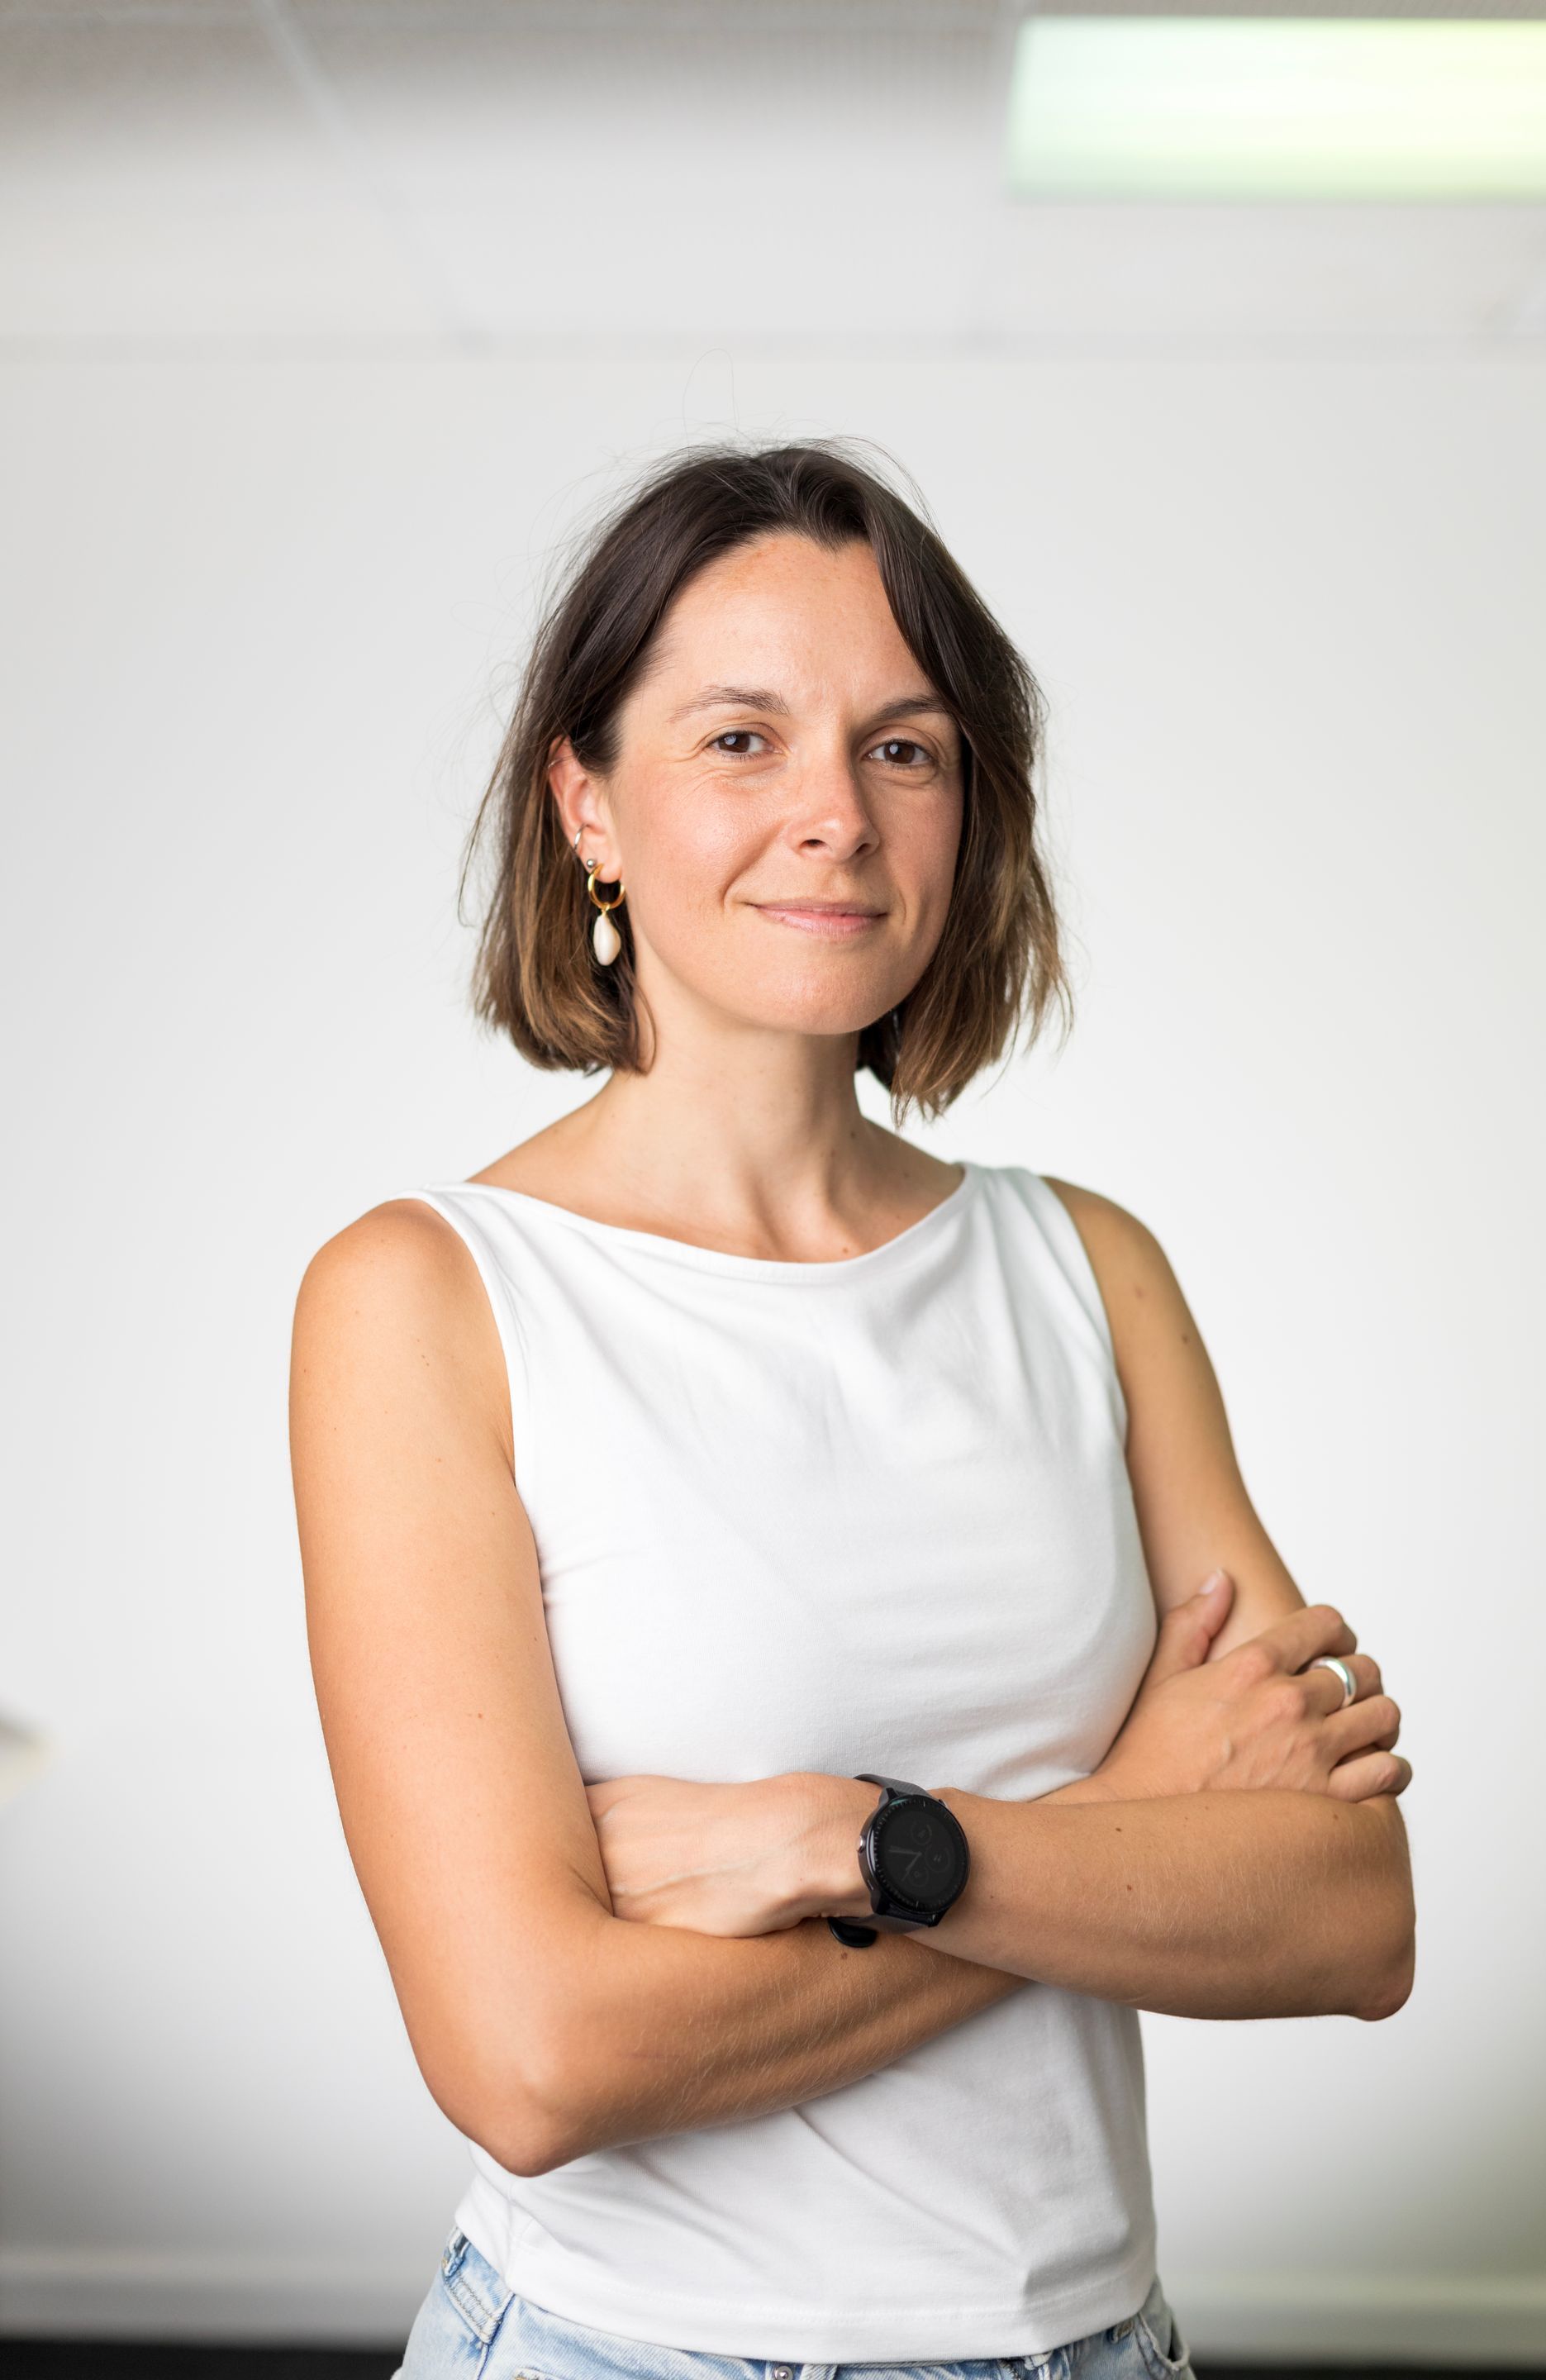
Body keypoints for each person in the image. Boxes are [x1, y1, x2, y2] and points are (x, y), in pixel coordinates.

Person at [288, 440, 1415, 2380]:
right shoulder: (427, 1302)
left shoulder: (1090, 1271)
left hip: (1096, 2350)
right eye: (741, 740)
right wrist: (1128, 1831)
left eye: (905, 748)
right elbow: (535, 2059)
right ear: (589, 804)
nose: (835, 817)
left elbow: (1342, 1913)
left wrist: (854, 1841)